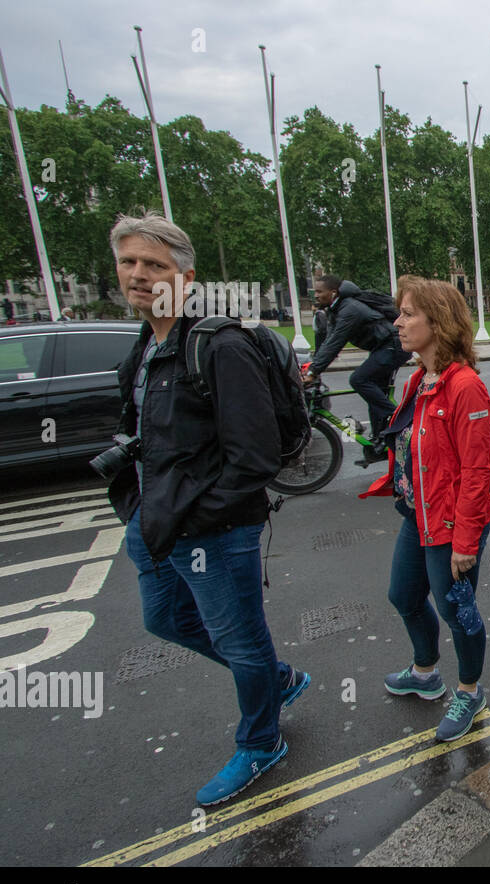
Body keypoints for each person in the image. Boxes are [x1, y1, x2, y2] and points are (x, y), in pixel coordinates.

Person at [106, 212, 310, 806]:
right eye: (129, 263)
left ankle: (260, 740)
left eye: (155, 265)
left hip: (212, 530)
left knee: (242, 640)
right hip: (152, 519)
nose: (139, 275)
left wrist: (199, 514)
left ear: (185, 277)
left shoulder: (218, 346)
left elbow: (255, 456)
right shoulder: (147, 344)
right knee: (164, 620)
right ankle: (278, 681)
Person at [361, 276, 490, 743]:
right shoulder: (419, 380)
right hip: (416, 516)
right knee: (403, 595)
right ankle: (425, 673)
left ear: (437, 322)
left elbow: (477, 473)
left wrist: (465, 543)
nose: (397, 322)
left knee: (458, 612)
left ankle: (470, 690)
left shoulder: (465, 388)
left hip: (451, 526)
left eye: (408, 314)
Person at [305, 275, 408, 466]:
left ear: (333, 293)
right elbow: (327, 341)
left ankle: (401, 419)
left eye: (319, 291)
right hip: (384, 347)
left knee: (359, 380)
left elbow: (337, 341)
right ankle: (380, 442)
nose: (316, 295)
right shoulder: (334, 310)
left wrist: (313, 372)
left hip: (393, 346)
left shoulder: (349, 309)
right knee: (375, 394)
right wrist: (313, 367)